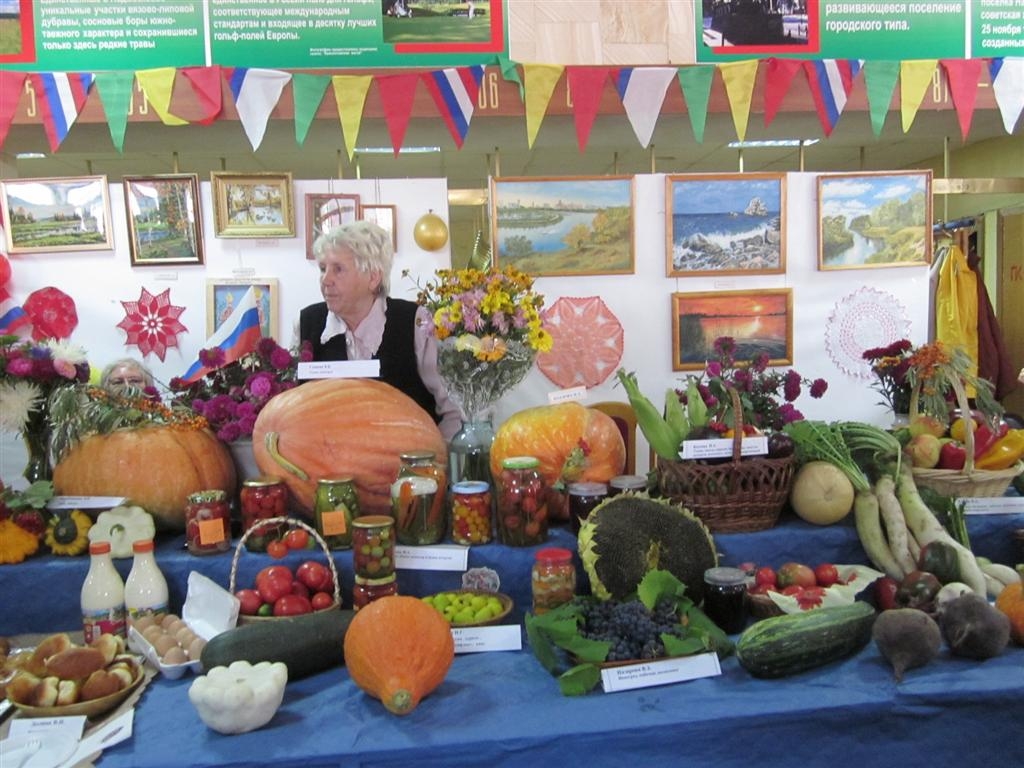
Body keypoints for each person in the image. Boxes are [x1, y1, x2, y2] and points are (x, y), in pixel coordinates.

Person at [297, 221, 461, 441]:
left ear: (373, 278)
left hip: (408, 463)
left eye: (338, 269)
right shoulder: (308, 323)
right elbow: (292, 409)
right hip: (329, 467)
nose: (326, 280)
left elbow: (453, 408)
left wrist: (436, 458)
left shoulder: (414, 322)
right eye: (323, 268)